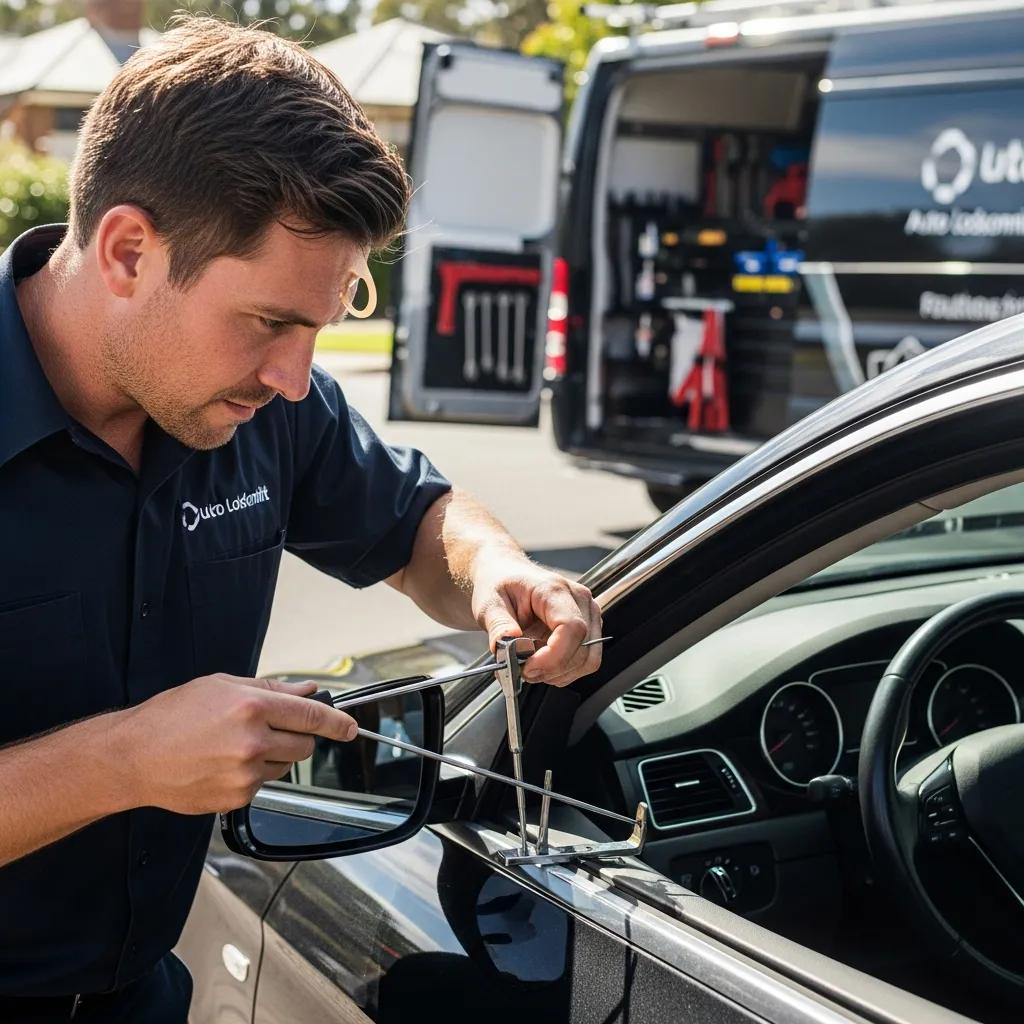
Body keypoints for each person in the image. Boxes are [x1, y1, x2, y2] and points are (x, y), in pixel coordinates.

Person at [0, 14, 602, 1021]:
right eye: (271, 322)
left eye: (319, 327)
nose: (294, 377)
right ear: (128, 251)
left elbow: (419, 525)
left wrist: (499, 568)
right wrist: (125, 760)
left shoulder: (264, 402)